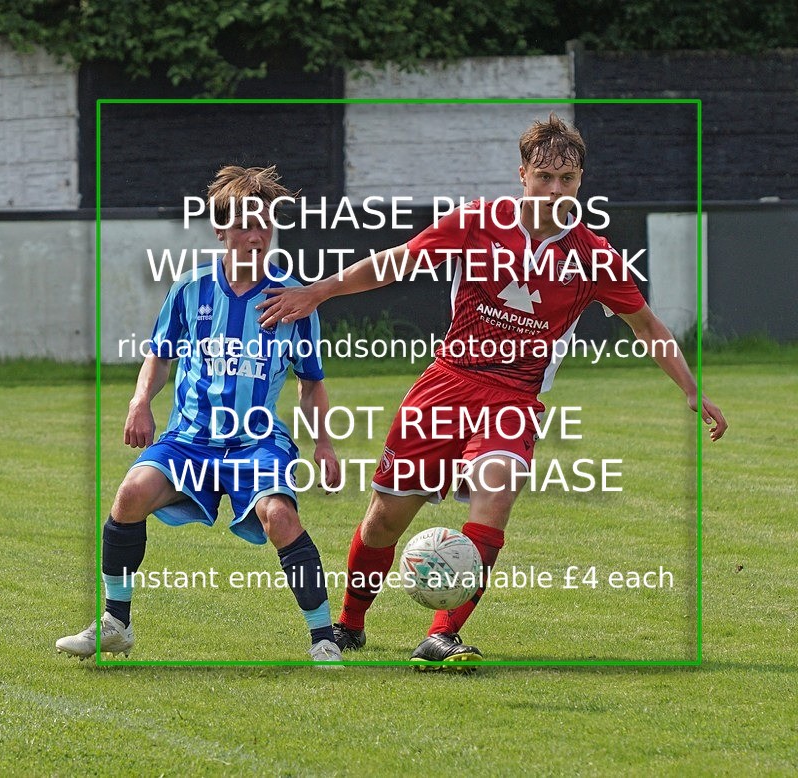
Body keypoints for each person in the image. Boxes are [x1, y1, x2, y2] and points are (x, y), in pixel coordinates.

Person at [257, 114, 728, 668]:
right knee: (386, 516)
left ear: (581, 182)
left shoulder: (593, 255)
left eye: (568, 179)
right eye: (545, 177)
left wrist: (692, 390)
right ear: (522, 174)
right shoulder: (477, 223)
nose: (556, 190)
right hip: (447, 384)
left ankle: (441, 635)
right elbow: (392, 266)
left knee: (495, 496)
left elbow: (646, 326)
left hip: (514, 397)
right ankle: (351, 622)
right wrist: (317, 292)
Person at [57, 165, 343, 663]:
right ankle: (115, 624)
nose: (255, 236)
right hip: (189, 437)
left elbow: (311, 380)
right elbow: (160, 354)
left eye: (264, 225)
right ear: (221, 231)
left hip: (255, 441)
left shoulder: (292, 298)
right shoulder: (190, 289)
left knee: (280, 517)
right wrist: (140, 402)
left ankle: (323, 640)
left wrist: (323, 443)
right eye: (243, 226)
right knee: (130, 494)